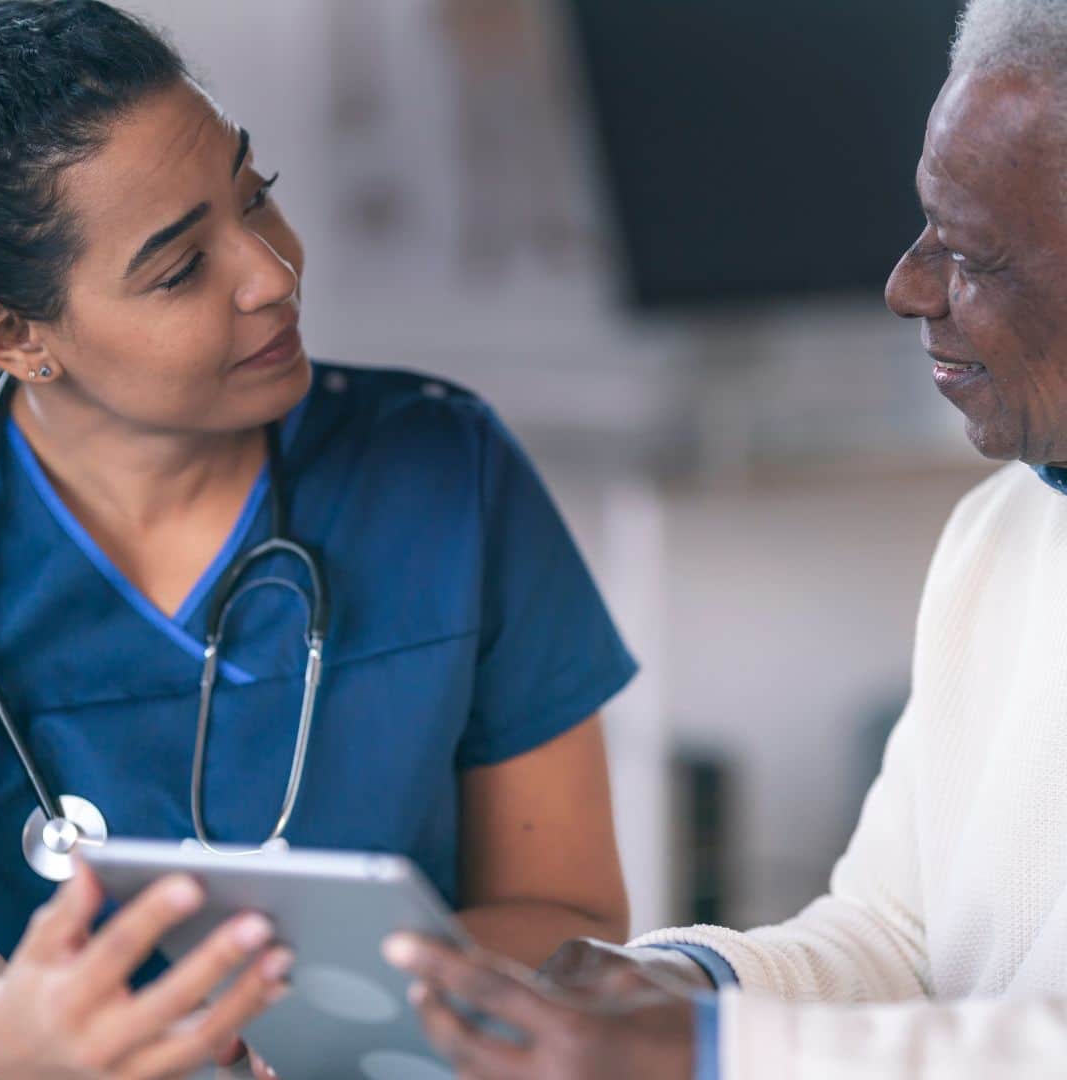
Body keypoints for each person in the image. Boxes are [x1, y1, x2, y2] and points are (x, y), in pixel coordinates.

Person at [383, 0, 1067, 1076]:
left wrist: (712, 1053)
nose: (908, 287)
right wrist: (674, 984)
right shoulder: (1006, 528)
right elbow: (893, 934)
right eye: (924, 226)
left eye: (973, 253)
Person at [0, 1, 635, 1075]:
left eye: (257, 199)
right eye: (180, 268)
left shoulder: (445, 469)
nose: (271, 275)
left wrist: (356, 1016)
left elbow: (570, 914)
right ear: (14, 333)